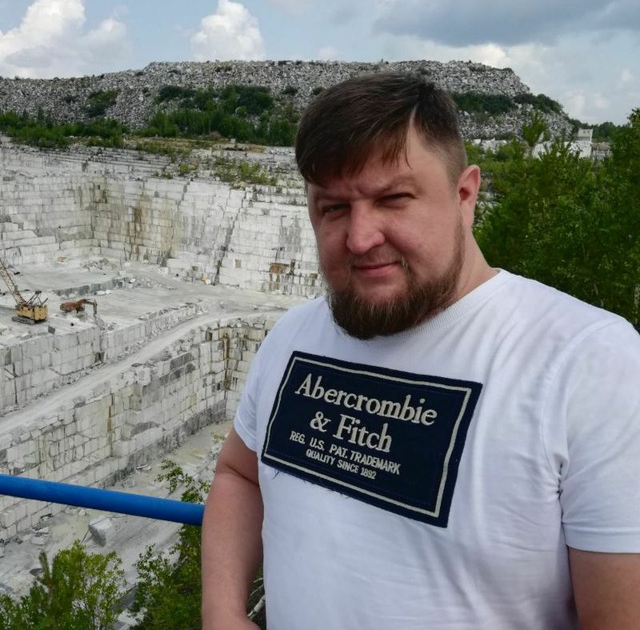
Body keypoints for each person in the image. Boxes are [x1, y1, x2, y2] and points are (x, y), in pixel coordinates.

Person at [201, 72, 640, 629]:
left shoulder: (591, 363)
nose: (360, 237)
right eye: (333, 207)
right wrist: (221, 611)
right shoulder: (294, 336)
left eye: (393, 199)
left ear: (465, 196)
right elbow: (239, 476)